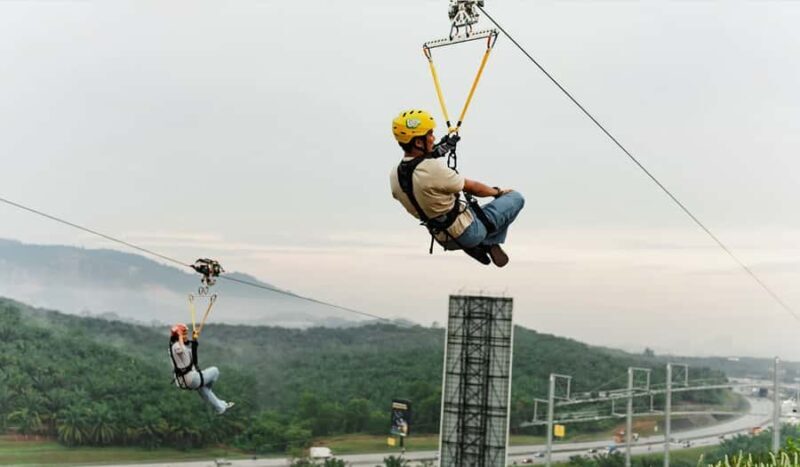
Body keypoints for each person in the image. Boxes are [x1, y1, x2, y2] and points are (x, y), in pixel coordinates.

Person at [389, 109, 524, 267]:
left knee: (450, 209)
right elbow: (473, 188)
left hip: (443, 238)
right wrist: (498, 192)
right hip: (468, 231)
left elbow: (419, 166)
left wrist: (442, 148)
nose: (433, 138)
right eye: (430, 134)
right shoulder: (432, 170)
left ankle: (478, 242)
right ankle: (487, 241)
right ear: (419, 143)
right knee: (515, 198)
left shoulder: (395, 175)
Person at [168, 323, 234, 415]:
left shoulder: (175, 346)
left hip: (185, 380)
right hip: (191, 379)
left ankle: (220, 407)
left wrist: (194, 340)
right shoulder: (176, 346)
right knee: (215, 371)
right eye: (184, 334)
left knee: (202, 387)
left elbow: (194, 360)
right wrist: (180, 335)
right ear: (178, 336)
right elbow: (181, 349)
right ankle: (207, 391)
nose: (186, 336)